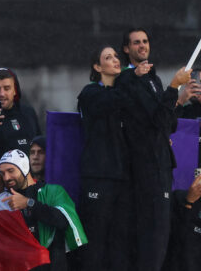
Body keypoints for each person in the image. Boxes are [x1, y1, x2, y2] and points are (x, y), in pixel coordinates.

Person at [114, 28, 190, 271]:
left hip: (161, 164)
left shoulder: (153, 79)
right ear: (126, 49)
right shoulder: (128, 80)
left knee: (161, 234)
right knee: (153, 235)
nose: (142, 46)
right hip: (146, 167)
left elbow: (169, 123)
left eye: (145, 41)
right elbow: (158, 120)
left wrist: (175, 100)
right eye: (136, 43)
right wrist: (174, 88)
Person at [77, 45, 132, 271]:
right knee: (96, 239)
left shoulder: (123, 93)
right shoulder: (90, 94)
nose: (116, 60)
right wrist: (131, 79)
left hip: (123, 177)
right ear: (97, 67)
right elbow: (109, 102)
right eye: (108, 58)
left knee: (119, 241)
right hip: (98, 176)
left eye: (116, 56)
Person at [0, 149, 87, 270]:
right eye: (2, 173)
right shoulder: (2, 200)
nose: (6, 177)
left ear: (24, 167)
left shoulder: (53, 191)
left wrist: (29, 203)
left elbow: (63, 220)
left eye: (10, 171)